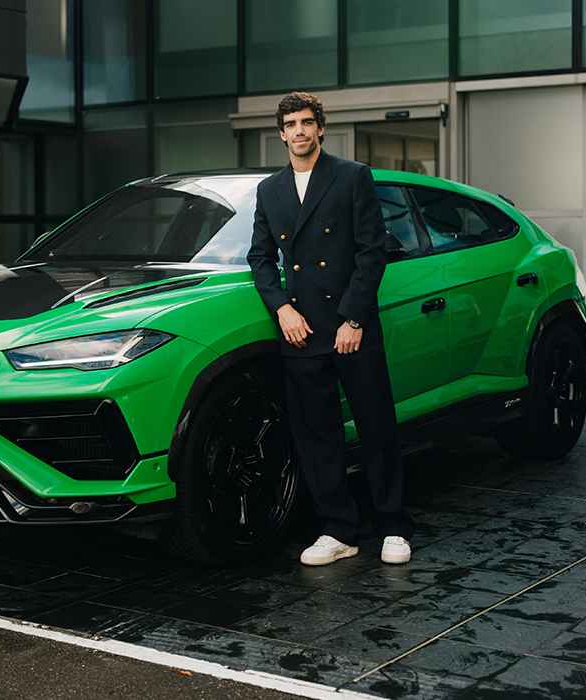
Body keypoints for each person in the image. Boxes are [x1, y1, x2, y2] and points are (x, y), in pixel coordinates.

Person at [246, 91, 412, 567]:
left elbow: (371, 251)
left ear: (320, 128)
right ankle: (339, 529)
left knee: (376, 425)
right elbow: (260, 257)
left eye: (306, 122)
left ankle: (394, 526)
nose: (298, 131)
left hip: (350, 326)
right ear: (280, 134)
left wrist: (354, 317)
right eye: (290, 124)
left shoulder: (351, 176)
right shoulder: (270, 190)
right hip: (301, 329)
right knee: (317, 434)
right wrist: (281, 308)